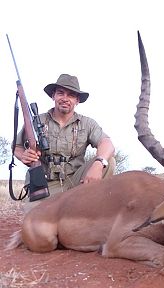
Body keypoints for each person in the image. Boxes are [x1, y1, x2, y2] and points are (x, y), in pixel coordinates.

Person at [14, 74, 116, 210]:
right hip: (45, 185)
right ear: (53, 96)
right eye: (60, 93)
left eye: (71, 95)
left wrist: (99, 163)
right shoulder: (36, 121)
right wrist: (23, 156)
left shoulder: (87, 123)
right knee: (36, 227)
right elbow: (17, 146)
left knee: (108, 162)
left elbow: (107, 143)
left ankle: (86, 206)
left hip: (76, 182)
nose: (65, 99)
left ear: (77, 100)